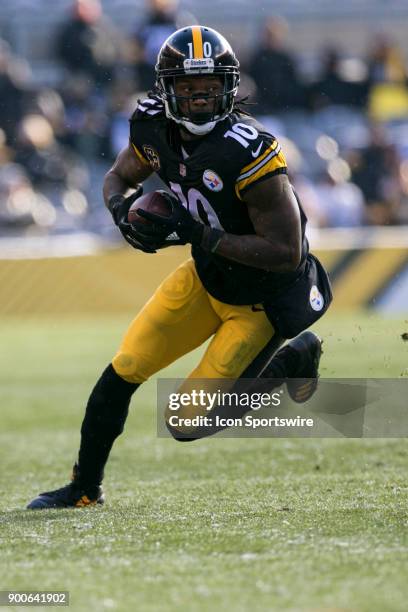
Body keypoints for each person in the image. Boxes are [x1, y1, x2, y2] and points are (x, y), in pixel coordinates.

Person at [27, 26, 332, 509]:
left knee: (186, 423)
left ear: (228, 87)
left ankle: (291, 360)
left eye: (209, 87)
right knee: (124, 367)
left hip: (261, 298)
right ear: (166, 90)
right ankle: (85, 488)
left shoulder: (250, 152)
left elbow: (287, 251)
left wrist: (199, 234)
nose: (199, 99)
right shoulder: (151, 126)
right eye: (188, 89)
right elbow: (118, 176)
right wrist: (121, 213)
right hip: (206, 276)